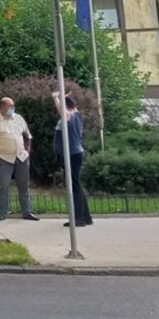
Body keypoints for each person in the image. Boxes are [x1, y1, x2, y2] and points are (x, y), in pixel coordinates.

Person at [0, 97, 40, 222]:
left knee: (24, 186)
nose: (12, 108)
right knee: (3, 186)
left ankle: (27, 211)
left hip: (21, 157)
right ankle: (2, 212)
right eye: (9, 106)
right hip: (4, 158)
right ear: (2, 107)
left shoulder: (18, 118)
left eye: (13, 106)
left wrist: (28, 150)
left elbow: (27, 135)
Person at [55, 94, 93, 228]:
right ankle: (86, 217)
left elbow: (63, 112)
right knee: (76, 185)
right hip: (74, 153)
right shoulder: (76, 115)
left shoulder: (70, 115)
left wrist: (56, 98)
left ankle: (78, 219)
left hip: (71, 154)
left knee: (74, 186)